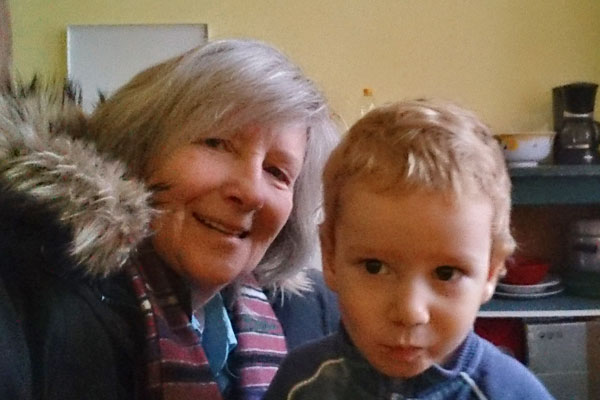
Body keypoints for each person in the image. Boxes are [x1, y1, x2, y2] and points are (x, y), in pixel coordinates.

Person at [0, 38, 340, 400]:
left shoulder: (316, 314)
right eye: (216, 143)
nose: (252, 192)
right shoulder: (24, 294)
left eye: (277, 172)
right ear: (140, 146)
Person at [263, 100, 555, 399]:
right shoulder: (299, 383)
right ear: (330, 256)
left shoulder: (515, 393)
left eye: (446, 273)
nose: (410, 312)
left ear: (491, 273)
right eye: (375, 267)